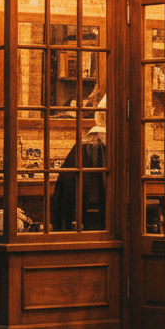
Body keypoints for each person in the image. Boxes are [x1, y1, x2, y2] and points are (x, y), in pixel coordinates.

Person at [50, 95, 107, 230]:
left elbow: (65, 193)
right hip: (100, 214)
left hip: (88, 214)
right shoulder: (90, 147)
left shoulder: (85, 145)